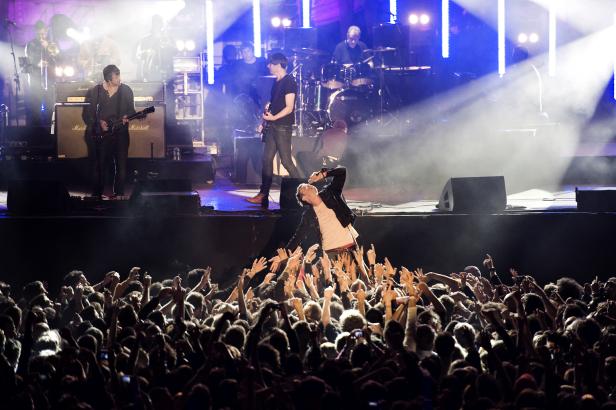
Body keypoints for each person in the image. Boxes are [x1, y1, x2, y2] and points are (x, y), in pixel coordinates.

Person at [247, 53, 302, 208]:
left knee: (286, 161)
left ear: (278, 65)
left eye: (270, 64)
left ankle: (306, 191)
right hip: (272, 126)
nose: (268, 66)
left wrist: (273, 118)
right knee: (266, 159)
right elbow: (275, 103)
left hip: (283, 126)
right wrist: (265, 120)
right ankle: (263, 194)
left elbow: (290, 107)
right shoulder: (277, 82)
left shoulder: (289, 81)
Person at [82, 65, 136, 199]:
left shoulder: (126, 90)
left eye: (119, 75)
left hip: (121, 133)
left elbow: (132, 111)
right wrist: (99, 122)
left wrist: (127, 117)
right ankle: (97, 194)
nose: (119, 78)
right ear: (108, 79)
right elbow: (87, 114)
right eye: (116, 76)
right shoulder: (95, 91)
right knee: (99, 165)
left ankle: (119, 194)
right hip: (101, 135)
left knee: (121, 165)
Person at [287, 166, 358, 259]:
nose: (310, 185)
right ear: (304, 198)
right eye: (306, 187)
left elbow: (342, 171)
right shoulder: (309, 214)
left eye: (309, 184)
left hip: (350, 246)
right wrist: (284, 254)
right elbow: (298, 236)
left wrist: (323, 174)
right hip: (331, 252)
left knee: (363, 273)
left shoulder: (330, 192)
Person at [24, 20, 58, 126]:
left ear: (46, 32)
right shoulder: (31, 44)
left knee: (50, 107)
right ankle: (36, 132)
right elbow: (28, 61)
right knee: (35, 108)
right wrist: (38, 63)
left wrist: (47, 47)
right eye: (39, 34)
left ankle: (50, 132)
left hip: (49, 80)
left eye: (43, 34)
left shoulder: (51, 44)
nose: (41, 36)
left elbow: (58, 59)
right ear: (35, 32)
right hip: (36, 80)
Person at [135, 15, 173, 82]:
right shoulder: (144, 40)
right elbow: (138, 56)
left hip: (165, 72)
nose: (157, 25)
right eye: (155, 22)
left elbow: (172, 53)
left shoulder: (167, 39)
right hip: (150, 73)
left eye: (159, 22)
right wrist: (148, 52)